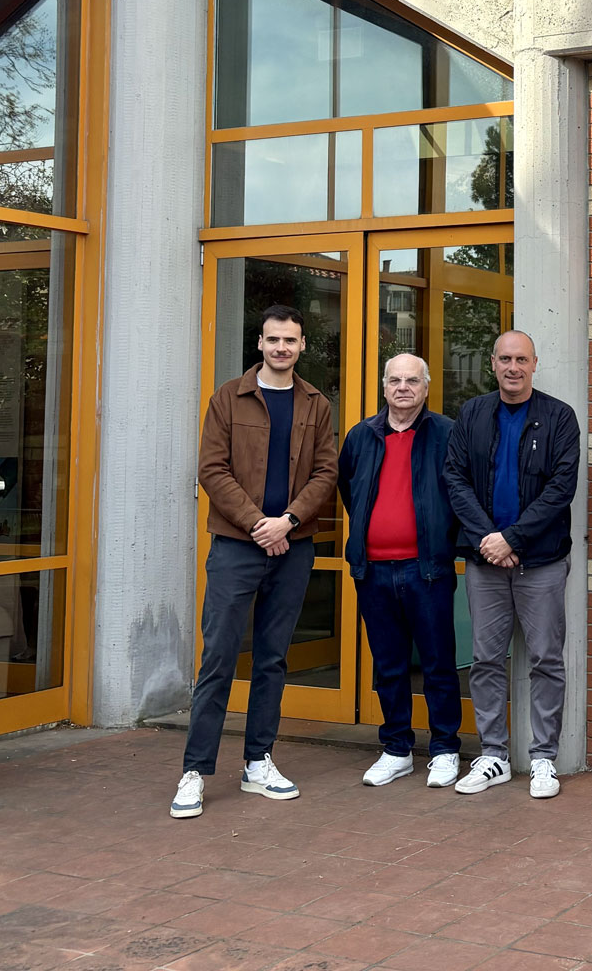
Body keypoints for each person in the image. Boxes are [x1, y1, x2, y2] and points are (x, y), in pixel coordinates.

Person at [173, 304, 337, 819]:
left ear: (303, 345)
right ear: (259, 343)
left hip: (293, 547)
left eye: (290, 340)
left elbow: (326, 473)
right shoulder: (229, 397)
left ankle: (258, 761)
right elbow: (211, 470)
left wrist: (286, 521)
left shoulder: (316, 405)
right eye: (273, 340)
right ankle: (195, 771)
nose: (281, 348)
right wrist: (256, 525)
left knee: (272, 659)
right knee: (218, 658)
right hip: (236, 549)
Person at [444, 330, 580, 799]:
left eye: (521, 359)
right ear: (493, 363)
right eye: (505, 359)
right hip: (486, 561)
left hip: (539, 561)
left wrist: (513, 538)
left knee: (545, 659)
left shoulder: (559, 417)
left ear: (535, 363)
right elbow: (454, 478)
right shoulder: (473, 413)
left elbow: (561, 489)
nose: (513, 367)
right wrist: (489, 540)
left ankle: (544, 758)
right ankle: (494, 755)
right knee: (485, 659)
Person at [337, 354, 462, 790]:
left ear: (426, 388)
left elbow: (460, 493)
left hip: (427, 570)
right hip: (373, 572)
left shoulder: (447, 434)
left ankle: (445, 749)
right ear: (384, 387)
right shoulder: (360, 436)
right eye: (395, 380)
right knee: (389, 666)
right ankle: (396, 749)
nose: (403, 388)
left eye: (412, 381)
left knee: (438, 665)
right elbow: (349, 489)